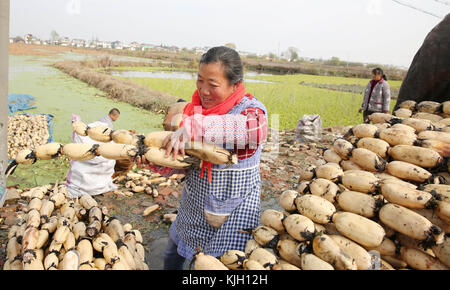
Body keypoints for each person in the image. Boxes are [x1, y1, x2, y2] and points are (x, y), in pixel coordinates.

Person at [136, 46, 268, 270]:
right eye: (200, 80)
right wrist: (156, 162)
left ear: (234, 85)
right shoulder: (193, 110)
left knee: (215, 267)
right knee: (172, 257)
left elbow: (255, 132)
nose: (204, 90)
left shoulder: (250, 110)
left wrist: (195, 127)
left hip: (231, 218)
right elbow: (185, 163)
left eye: (213, 84)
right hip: (192, 208)